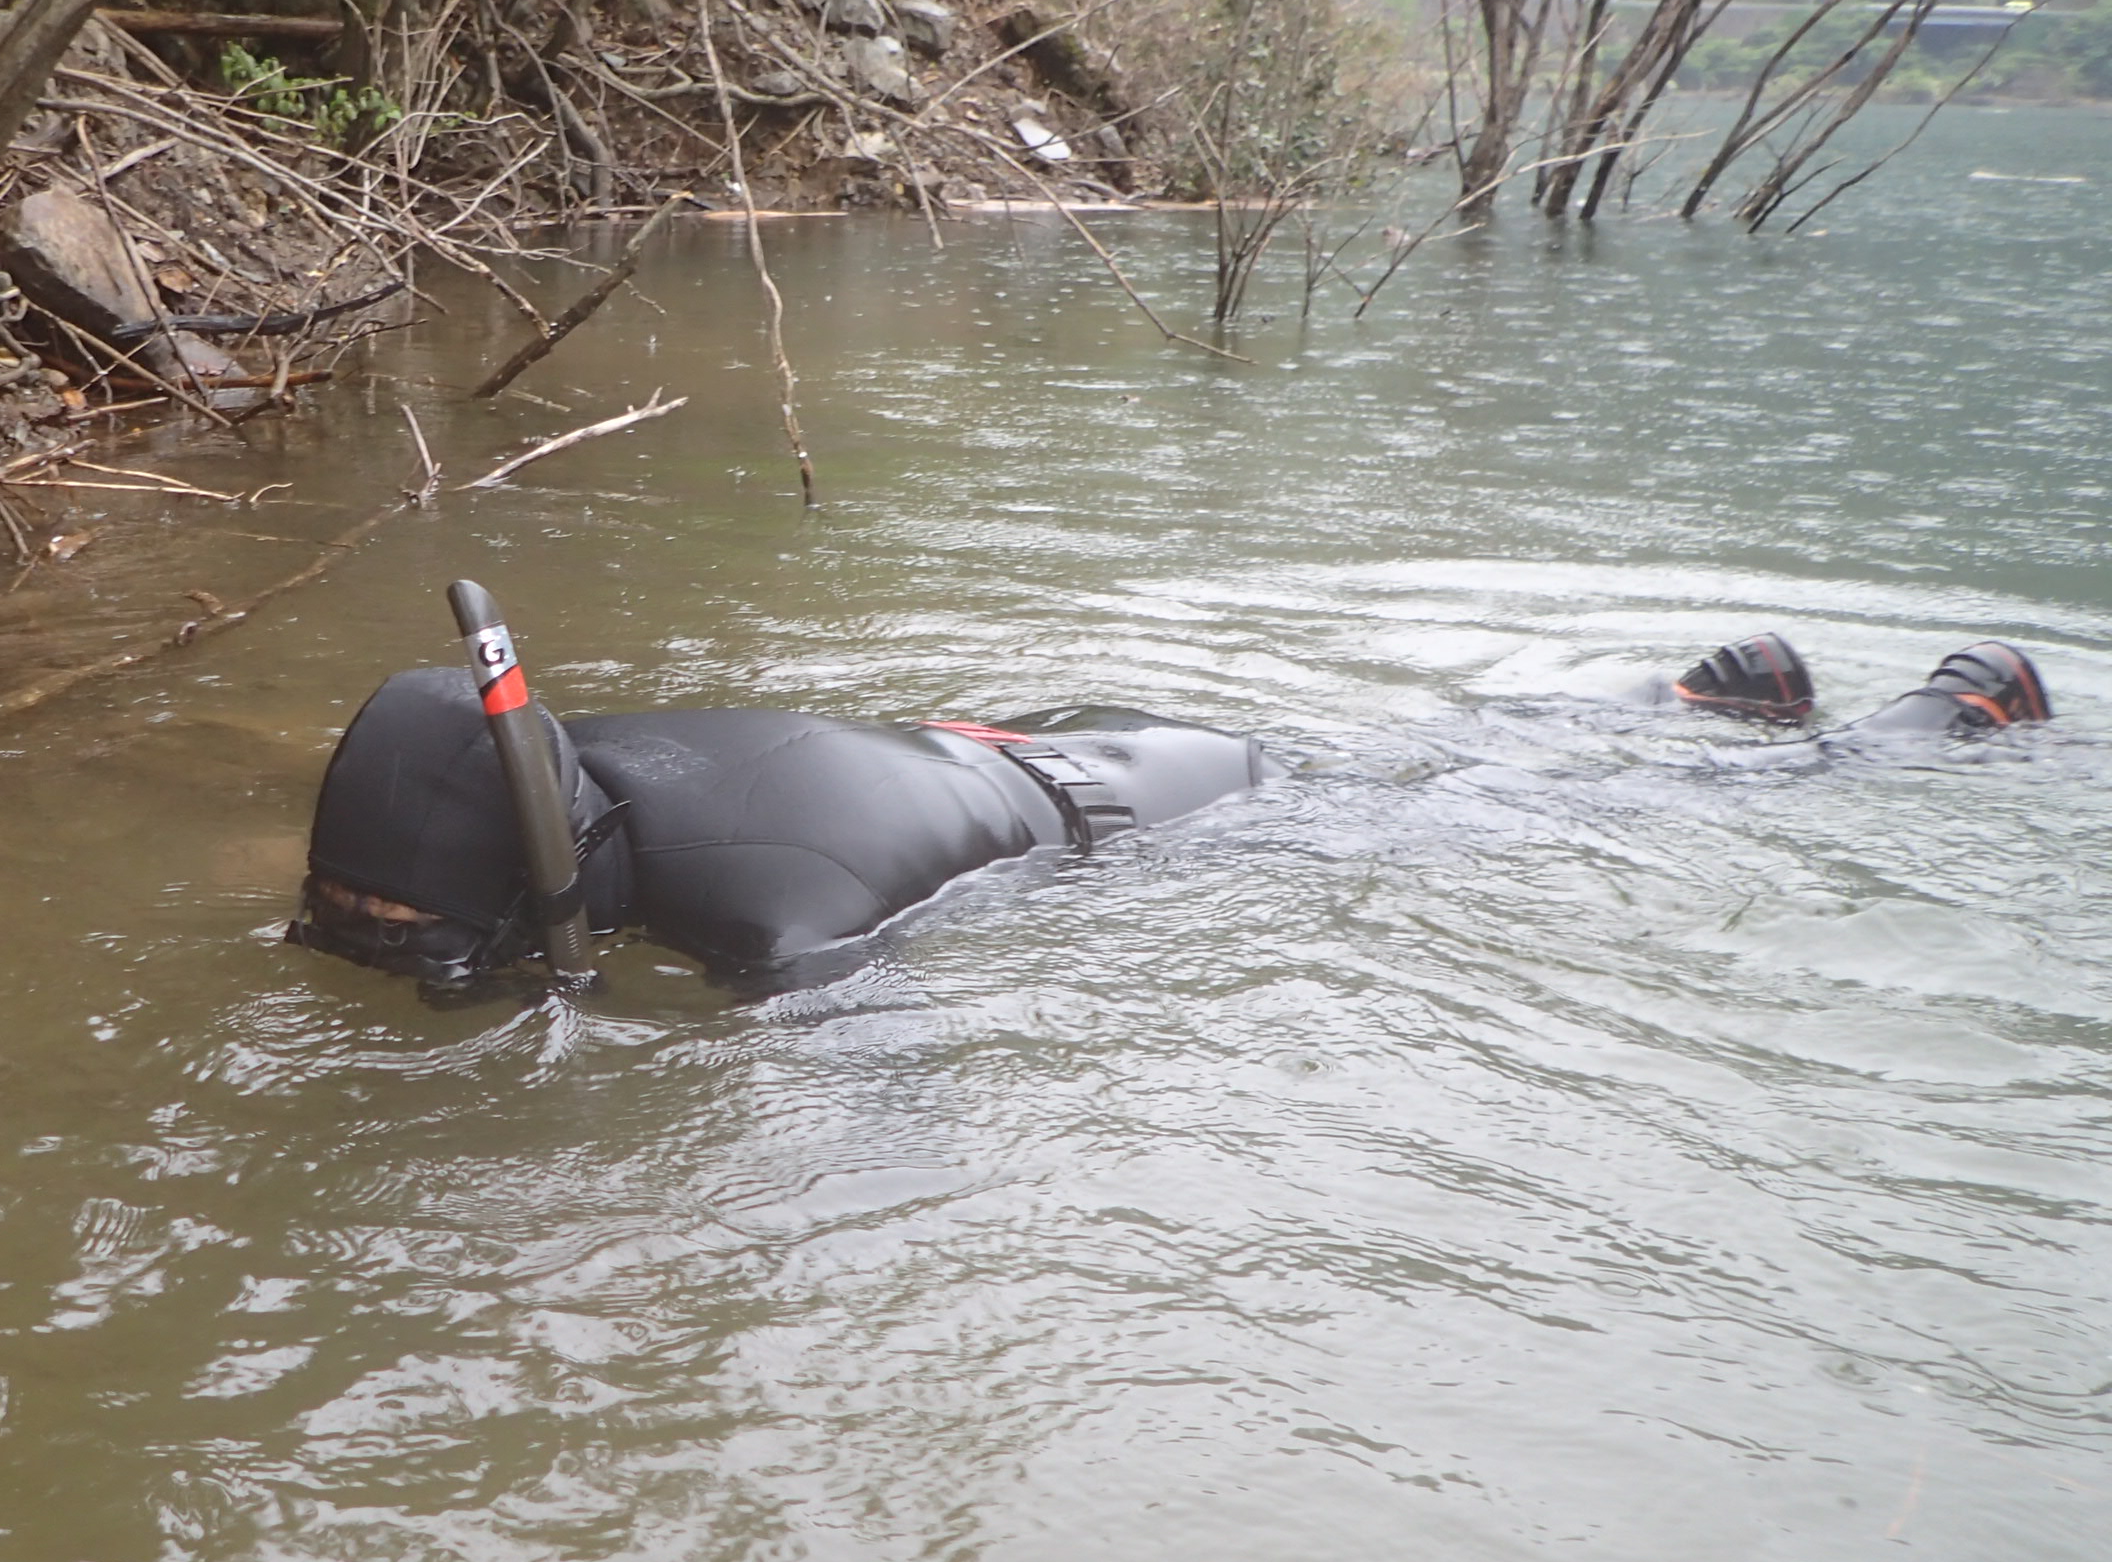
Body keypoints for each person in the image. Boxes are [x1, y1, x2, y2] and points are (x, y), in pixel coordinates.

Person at [290, 627, 2054, 989]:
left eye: (400, 931)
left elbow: (883, 1145)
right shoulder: (556, 747)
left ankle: (1930, 722)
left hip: (1159, 805)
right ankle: (1701, 692)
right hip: (1025, 736)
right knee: (1424, 748)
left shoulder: (768, 912)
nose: (379, 948)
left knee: (1498, 810)